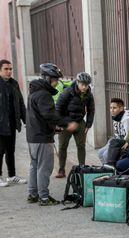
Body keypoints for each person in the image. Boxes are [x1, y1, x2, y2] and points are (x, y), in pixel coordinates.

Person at [26, 63, 78, 205]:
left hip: (33, 136)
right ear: (48, 78)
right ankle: (43, 197)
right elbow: (49, 115)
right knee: (44, 167)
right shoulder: (44, 94)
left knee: (34, 166)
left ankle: (33, 194)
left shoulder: (34, 92)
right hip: (42, 138)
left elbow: (39, 116)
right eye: (55, 79)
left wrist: (54, 128)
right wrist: (67, 124)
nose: (57, 83)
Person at [55, 72, 95, 178]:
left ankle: (82, 167)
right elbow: (57, 108)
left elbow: (91, 109)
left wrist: (88, 125)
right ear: (77, 82)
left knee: (81, 146)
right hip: (65, 122)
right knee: (62, 146)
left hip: (79, 122)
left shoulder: (88, 94)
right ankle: (61, 169)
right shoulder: (67, 92)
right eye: (82, 84)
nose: (84, 87)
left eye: (87, 85)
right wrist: (59, 124)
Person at [0, 59, 27, 187]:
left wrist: (26, 120)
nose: (9, 71)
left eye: (10, 69)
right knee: (0, 151)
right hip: (0, 124)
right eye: (6, 69)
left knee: (11, 150)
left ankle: (11, 176)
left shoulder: (14, 84)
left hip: (11, 123)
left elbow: (21, 104)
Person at [97, 97, 129, 164]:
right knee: (100, 153)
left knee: (106, 155)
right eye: (111, 108)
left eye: (114, 108)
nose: (112, 110)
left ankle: (112, 171)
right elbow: (117, 133)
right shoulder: (116, 117)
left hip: (123, 143)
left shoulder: (127, 119)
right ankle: (106, 170)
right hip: (116, 141)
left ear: (121, 108)